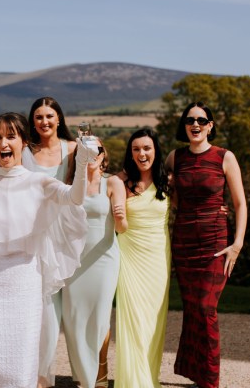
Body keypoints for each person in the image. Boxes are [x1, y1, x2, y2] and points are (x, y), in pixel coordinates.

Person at [0, 112, 94, 388]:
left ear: (24, 143)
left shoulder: (39, 183)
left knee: (20, 371)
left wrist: (83, 162)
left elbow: (75, 198)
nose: (3, 142)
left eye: (11, 136)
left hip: (24, 286)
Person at [165, 102, 247, 388]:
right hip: (184, 242)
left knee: (206, 308)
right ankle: (198, 374)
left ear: (211, 125)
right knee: (192, 309)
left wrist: (237, 244)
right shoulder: (174, 158)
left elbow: (239, 203)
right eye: (190, 120)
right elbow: (173, 199)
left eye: (201, 120)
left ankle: (210, 380)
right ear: (184, 125)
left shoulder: (225, 157)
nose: (195, 124)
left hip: (216, 244)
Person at [61, 139, 127, 388]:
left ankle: (99, 373)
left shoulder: (113, 182)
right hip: (74, 262)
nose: (90, 154)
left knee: (99, 319)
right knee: (74, 319)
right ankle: (82, 377)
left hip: (104, 260)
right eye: (83, 150)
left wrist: (120, 217)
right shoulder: (68, 186)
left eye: (95, 149)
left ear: (103, 154)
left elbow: (122, 227)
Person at [23, 96, 77, 387]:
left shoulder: (73, 148)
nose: (44, 121)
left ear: (59, 119)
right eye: (39, 116)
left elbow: (91, 178)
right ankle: (36, 375)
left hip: (65, 231)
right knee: (40, 305)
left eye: (49, 116)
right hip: (32, 232)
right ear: (33, 121)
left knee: (66, 306)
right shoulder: (25, 151)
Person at [115, 128, 171, 388]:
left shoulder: (168, 182)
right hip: (130, 259)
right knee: (133, 321)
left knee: (154, 323)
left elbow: (192, 205)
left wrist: (218, 208)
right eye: (136, 149)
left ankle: (149, 379)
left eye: (146, 148)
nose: (141, 153)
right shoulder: (121, 182)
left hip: (159, 259)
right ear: (130, 153)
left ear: (155, 150)